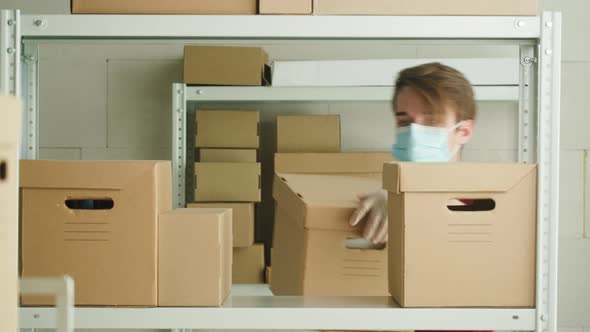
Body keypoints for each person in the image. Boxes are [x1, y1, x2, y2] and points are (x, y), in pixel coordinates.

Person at [349, 62, 477, 245]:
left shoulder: (487, 203)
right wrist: (392, 198)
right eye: (404, 122)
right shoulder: (384, 201)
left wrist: (409, 206)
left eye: (432, 120)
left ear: (464, 131)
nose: (415, 134)